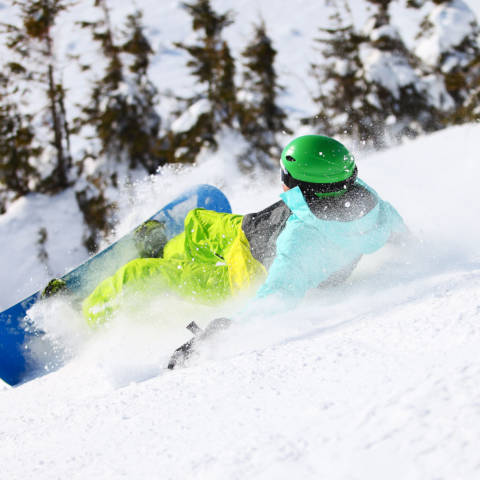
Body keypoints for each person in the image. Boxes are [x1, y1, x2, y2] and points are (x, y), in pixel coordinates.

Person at [82, 135, 407, 326]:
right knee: (197, 223)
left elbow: (277, 296)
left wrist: (224, 331)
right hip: (252, 230)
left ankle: (87, 315)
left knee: (143, 274)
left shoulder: (302, 241)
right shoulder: (371, 205)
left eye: (284, 173)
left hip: (244, 273)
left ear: (298, 183)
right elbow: (401, 235)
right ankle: (167, 249)